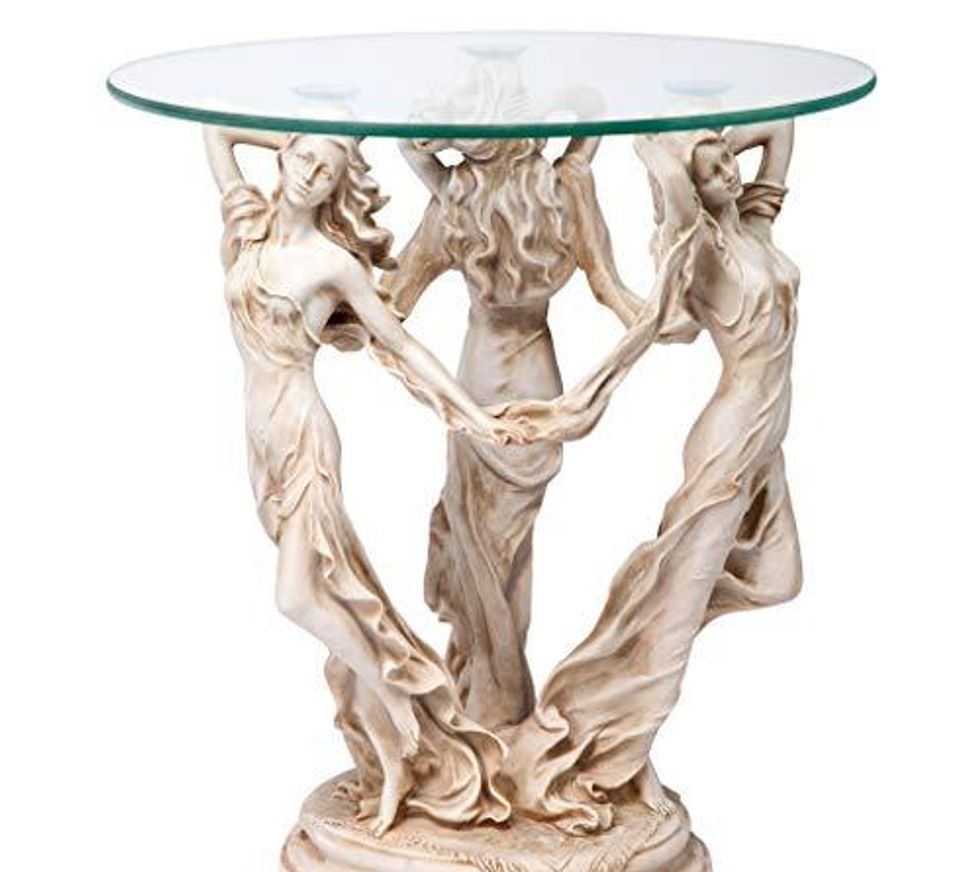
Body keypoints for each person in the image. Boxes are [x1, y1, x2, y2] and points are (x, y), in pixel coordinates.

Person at [203, 127, 526, 834]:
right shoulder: (250, 230)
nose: (310, 173)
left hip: (301, 434)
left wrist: (473, 414)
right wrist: (322, 131)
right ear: (283, 155)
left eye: (326, 170)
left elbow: (401, 342)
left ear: (336, 188)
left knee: (299, 595)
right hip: (257, 438)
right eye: (302, 158)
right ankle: (392, 760)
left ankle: (404, 702)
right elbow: (216, 130)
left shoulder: (331, 264)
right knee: (335, 606)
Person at [502, 121, 804, 834]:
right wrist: (660, 143)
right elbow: (671, 194)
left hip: (768, 438)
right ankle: (615, 753)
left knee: (777, 576)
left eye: (729, 161)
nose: (730, 171)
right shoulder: (699, 253)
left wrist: (703, 133)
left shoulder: (755, 229)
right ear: (691, 190)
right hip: (733, 434)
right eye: (714, 169)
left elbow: (782, 127)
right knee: (672, 607)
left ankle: (629, 660)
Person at [385, 135, 642, 728]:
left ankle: (494, 696)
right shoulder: (562, 192)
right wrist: (655, 319)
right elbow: (609, 287)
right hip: (537, 378)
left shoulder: (457, 201)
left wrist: (328, 299)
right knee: (507, 547)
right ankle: (498, 690)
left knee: (481, 545)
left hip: (478, 380)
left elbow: (396, 296)